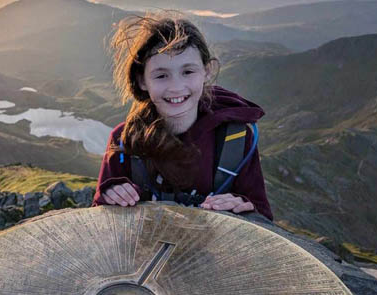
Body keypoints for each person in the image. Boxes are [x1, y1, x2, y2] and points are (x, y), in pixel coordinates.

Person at [92, 13, 273, 220]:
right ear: (142, 81)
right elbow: (101, 219)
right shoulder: (124, 140)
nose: (176, 87)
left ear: (207, 71)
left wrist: (244, 207)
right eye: (161, 76)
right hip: (144, 251)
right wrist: (110, 195)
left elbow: (262, 215)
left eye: (188, 72)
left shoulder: (236, 139)